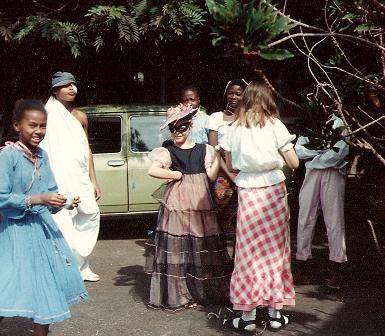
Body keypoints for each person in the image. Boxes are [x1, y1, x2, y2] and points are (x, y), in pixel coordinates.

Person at [0, 99, 88, 336]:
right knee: (8, 284)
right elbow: (1, 197)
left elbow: (49, 190)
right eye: (32, 125)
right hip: (13, 231)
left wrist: (62, 201)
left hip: (42, 231)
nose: (39, 131)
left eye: (43, 126)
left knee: (46, 285)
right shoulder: (8, 156)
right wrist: (38, 199)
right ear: (17, 125)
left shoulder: (43, 156)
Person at [221, 81, 299, 332]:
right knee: (275, 251)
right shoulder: (275, 125)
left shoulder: (235, 128)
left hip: (248, 189)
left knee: (247, 252)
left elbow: (231, 164)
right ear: (267, 100)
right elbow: (294, 162)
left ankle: (247, 317)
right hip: (273, 188)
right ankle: (276, 314)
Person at [145, 103, 231, 310]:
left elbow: (211, 176)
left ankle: (202, 291)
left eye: (182, 127)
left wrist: (218, 158)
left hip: (200, 203)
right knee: (178, 248)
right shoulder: (168, 150)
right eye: (173, 127)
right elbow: (153, 170)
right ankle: (180, 294)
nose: (177, 131)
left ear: (190, 126)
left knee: (202, 246)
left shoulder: (204, 149)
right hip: (177, 204)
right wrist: (175, 174)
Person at [40, 71, 101, 282]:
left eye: (73, 84)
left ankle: (81, 265)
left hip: (80, 176)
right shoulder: (46, 115)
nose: (71, 88)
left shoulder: (80, 116)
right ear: (55, 90)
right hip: (57, 177)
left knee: (91, 214)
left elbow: (87, 150)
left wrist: (94, 180)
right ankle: (69, 269)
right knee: (64, 221)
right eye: (65, 85)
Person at [294, 107, 349, 289]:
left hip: (333, 174)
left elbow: (339, 153)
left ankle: (337, 269)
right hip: (312, 173)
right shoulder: (309, 124)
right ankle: (302, 266)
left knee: (334, 220)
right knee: (305, 217)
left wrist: (315, 157)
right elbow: (299, 151)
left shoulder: (340, 124)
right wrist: (321, 153)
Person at [207, 79, 248, 237]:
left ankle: (238, 257)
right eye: (230, 93)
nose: (234, 97)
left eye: (238, 93)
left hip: (245, 171)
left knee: (241, 216)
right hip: (222, 171)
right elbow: (213, 149)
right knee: (221, 213)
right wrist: (229, 174)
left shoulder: (250, 118)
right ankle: (220, 254)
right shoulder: (216, 117)